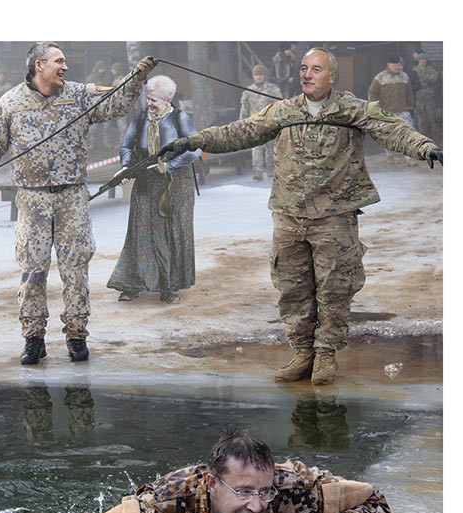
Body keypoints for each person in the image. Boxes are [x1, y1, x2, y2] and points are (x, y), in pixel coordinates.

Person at [158, 47, 442, 385]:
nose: (307, 74)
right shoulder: (284, 111)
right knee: (292, 288)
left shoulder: (351, 109)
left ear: (332, 76)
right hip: (289, 215)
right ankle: (302, 351)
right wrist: (192, 141)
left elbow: (394, 130)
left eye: (316, 69)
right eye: (304, 68)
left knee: (334, 288)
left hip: (334, 217)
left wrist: (424, 147)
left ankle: (325, 354)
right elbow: (239, 131)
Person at [0, 42, 157, 365]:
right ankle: (34, 339)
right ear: (39, 66)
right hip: (32, 201)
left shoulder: (78, 96)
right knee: (33, 269)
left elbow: (115, 105)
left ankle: (77, 336)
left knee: (76, 268)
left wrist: (137, 79)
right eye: (59, 61)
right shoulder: (11, 103)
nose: (65, 67)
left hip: (72, 197)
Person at [98, 428, 393, 513]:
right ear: (213, 485)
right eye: (243, 492)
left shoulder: (296, 489)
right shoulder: (160, 506)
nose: (256, 505)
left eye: (264, 491)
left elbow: (376, 503)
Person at [106, 75, 202, 303]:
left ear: (168, 99)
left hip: (176, 182)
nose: (150, 103)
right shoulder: (140, 119)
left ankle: (170, 288)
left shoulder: (181, 119)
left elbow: (195, 150)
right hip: (146, 179)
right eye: (148, 99)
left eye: (155, 100)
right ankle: (133, 283)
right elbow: (126, 145)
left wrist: (169, 166)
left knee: (171, 233)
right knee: (140, 231)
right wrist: (126, 167)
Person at [368, 55, 416, 166]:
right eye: (395, 65)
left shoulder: (405, 77)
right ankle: (389, 154)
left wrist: (411, 106)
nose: (398, 67)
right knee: (387, 135)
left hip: (403, 110)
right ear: (389, 65)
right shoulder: (380, 77)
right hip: (386, 111)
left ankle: (409, 158)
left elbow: (409, 93)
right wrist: (375, 108)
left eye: (399, 65)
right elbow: (372, 93)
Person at [239, 64, 282, 180]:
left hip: (269, 124)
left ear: (265, 76)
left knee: (270, 149)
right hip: (255, 125)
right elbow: (244, 108)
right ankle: (257, 172)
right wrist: (241, 123)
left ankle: (270, 169)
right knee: (256, 149)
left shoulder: (273, 90)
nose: (258, 77)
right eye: (256, 75)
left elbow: (279, 106)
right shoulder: (249, 91)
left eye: (261, 75)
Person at [412, 56, 440, 140]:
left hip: (429, 96)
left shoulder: (431, 69)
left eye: (425, 60)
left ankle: (435, 136)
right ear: (418, 60)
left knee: (431, 116)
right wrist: (427, 78)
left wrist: (422, 79)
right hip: (419, 96)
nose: (423, 61)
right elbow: (415, 81)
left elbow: (435, 78)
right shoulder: (414, 70)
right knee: (421, 117)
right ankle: (422, 137)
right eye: (421, 59)